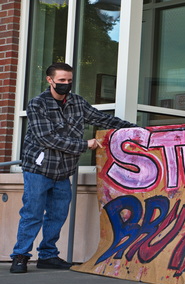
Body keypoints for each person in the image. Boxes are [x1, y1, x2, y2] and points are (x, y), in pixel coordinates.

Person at [10, 63, 137, 273]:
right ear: (49, 80)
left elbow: (102, 118)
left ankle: (48, 255)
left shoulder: (77, 102)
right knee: (32, 213)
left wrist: (133, 128)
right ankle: (21, 256)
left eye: (69, 81)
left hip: (63, 171)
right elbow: (46, 138)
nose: (66, 85)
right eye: (61, 81)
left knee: (58, 214)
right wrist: (83, 145)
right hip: (38, 169)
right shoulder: (37, 104)